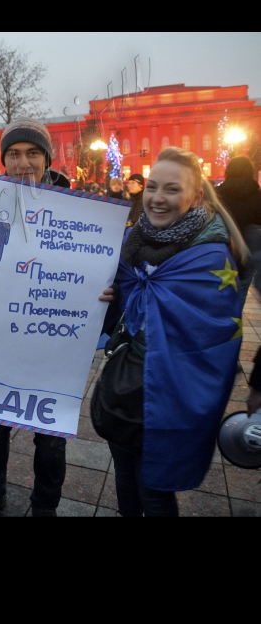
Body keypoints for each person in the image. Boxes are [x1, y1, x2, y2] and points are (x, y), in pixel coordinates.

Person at [98, 147, 247, 517]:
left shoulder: (209, 259)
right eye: (151, 187)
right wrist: (109, 301)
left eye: (171, 189)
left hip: (168, 399)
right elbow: (119, 318)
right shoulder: (133, 244)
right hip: (126, 391)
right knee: (125, 478)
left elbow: (210, 340)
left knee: (154, 491)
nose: (157, 198)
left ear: (195, 196)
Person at [0, 116, 70, 518]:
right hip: (0, 341)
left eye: (32, 153)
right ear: (4, 160)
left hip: (53, 344)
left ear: (46, 159)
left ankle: (45, 505)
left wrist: (102, 291)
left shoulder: (78, 213)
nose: (22, 162)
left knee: (51, 440)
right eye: (13, 154)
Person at [216, 155, 261, 308]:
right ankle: (234, 326)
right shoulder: (258, 196)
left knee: (215, 296)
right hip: (246, 256)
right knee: (239, 295)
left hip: (219, 254)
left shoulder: (217, 195)